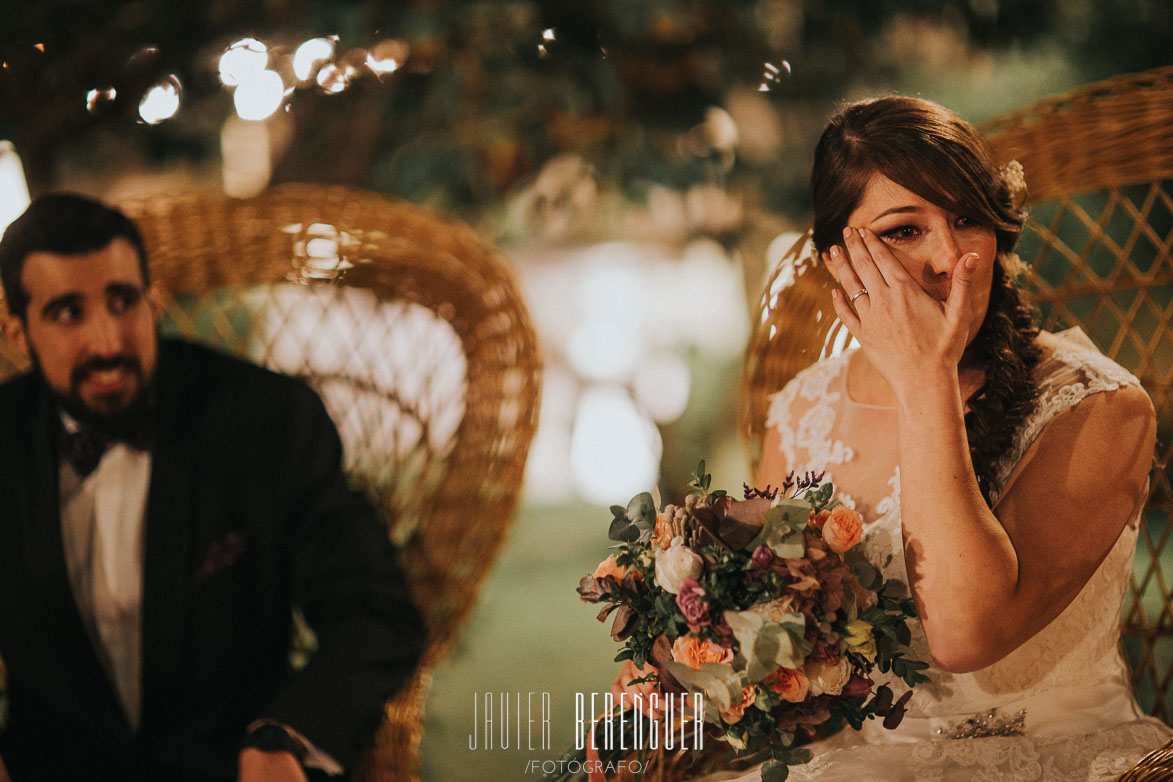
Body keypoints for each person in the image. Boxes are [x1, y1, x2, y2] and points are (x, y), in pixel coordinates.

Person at [713, 96, 1173, 781]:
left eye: (967, 220)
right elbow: (788, 640)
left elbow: (964, 635)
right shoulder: (802, 407)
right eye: (902, 230)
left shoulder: (1101, 406)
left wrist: (924, 378)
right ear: (837, 258)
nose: (949, 256)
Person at [0, 194, 425, 782]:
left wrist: (288, 737)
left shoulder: (266, 423)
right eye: (68, 313)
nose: (106, 342)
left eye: (123, 302)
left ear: (154, 302)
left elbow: (374, 613)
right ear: (17, 331)